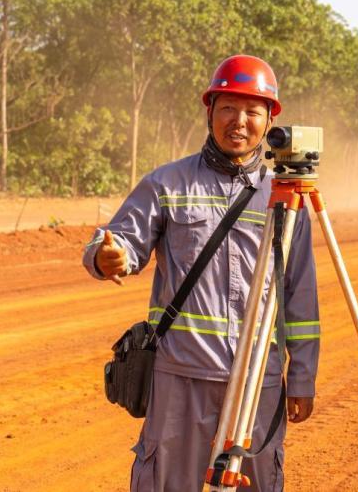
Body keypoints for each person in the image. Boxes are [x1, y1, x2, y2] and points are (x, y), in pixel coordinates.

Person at [83, 54, 320, 492]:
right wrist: (105, 256)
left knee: (257, 484)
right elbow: (118, 242)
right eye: (228, 108)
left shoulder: (285, 197)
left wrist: (302, 375)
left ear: (270, 121)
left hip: (258, 380)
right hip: (181, 377)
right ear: (210, 111)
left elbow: (300, 294)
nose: (239, 121)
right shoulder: (167, 183)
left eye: (252, 111)